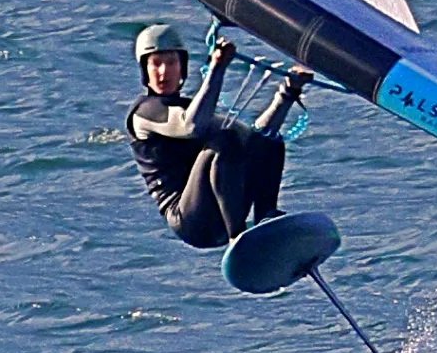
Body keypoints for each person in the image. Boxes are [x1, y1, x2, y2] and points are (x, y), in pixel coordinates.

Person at [124, 23, 313, 249]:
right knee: (223, 141)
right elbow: (191, 126)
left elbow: (250, 136)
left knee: (269, 139)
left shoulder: (190, 108)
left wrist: (288, 92)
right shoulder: (144, 113)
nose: (164, 72)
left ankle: (266, 218)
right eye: (156, 64)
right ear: (144, 70)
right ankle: (238, 238)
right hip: (191, 220)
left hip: (219, 205)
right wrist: (217, 68)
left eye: (171, 62)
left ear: (182, 66)